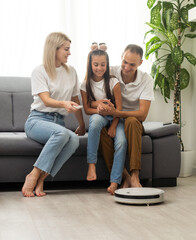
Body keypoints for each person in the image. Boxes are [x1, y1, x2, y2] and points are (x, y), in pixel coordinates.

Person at [22, 32, 86, 197]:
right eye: (66, 49)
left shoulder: (71, 71)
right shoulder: (39, 71)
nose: (69, 53)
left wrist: (82, 123)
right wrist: (63, 104)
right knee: (62, 133)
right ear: (54, 49)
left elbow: (74, 98)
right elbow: (46, 100)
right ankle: (34, 174)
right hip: (37, 121)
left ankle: (42, 179)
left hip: (59, 123)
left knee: (73, 141)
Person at [98, 44, 154, 188]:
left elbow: (142, 115)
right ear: (122, 56)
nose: (127, 67)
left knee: (131, 121)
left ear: (140, 63)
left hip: (133, 122)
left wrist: (118, 113)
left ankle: (135, 176)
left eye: (132, 65)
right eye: (125, 62)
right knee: (102, 131)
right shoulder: (111, 71)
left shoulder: (146, 80)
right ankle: (125, 176)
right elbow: (89, 78)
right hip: (112, 120)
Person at [80, 45, 127, 195]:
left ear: (107, 65)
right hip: (99, 116)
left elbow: (119, 109)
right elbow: (87, 109)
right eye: (96, 65)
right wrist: (99, 109)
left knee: (121, 142)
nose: (99, 68)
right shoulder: (85, 84)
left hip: (115, 117)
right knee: (94, 123)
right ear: (90, 65)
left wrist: (113, 126)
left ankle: (115, 182)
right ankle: (91, 164)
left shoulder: (114, 82)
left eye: (103, 64)